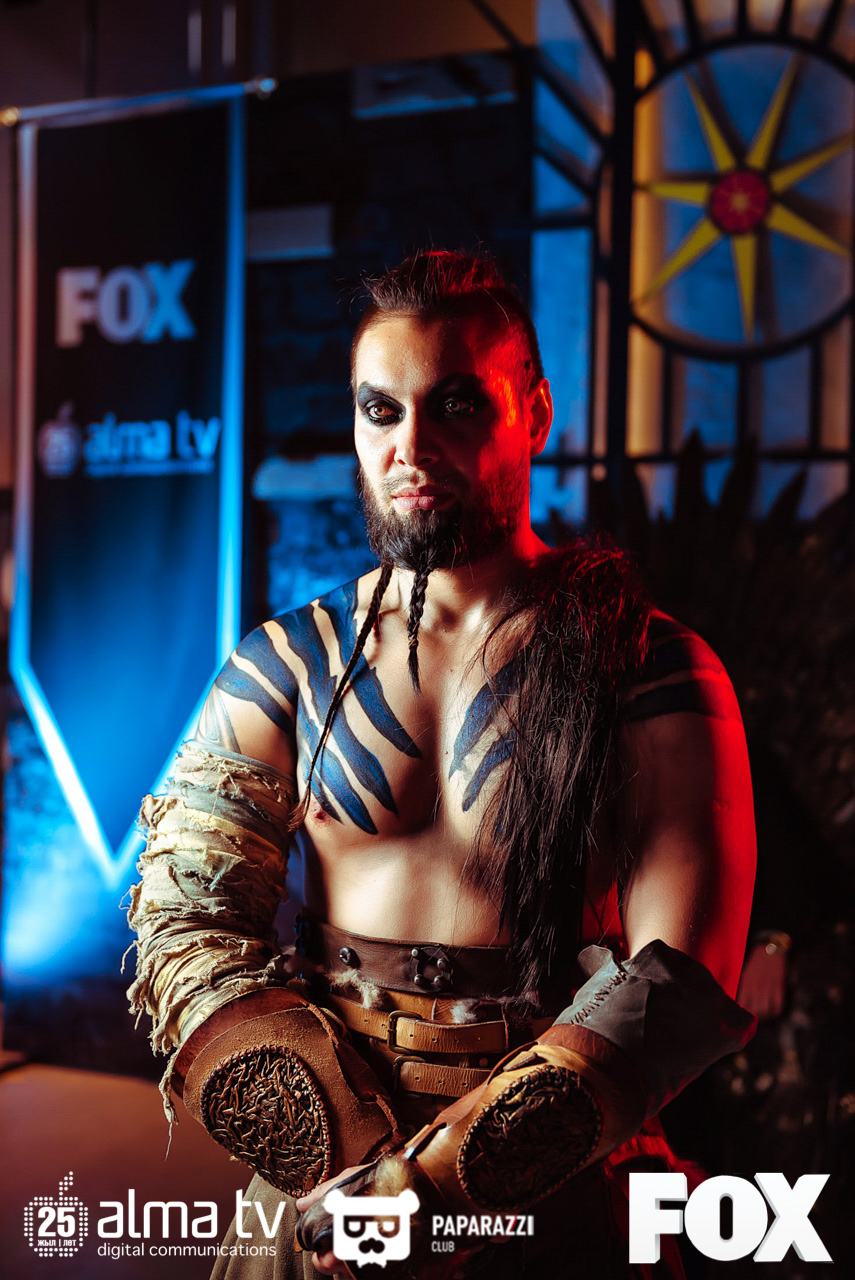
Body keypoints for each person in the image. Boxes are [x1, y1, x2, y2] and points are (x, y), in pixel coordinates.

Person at [127, 250, 756, 1279]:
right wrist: (345, 1169)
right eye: (380, 411)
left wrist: (435, 1192)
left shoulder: (648, 669)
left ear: (533, 412)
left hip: (556, 1194)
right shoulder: (285, 667)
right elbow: (184, 924)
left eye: (457, 404)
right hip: (320, 1192)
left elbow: (677, 981)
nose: (410, 446)